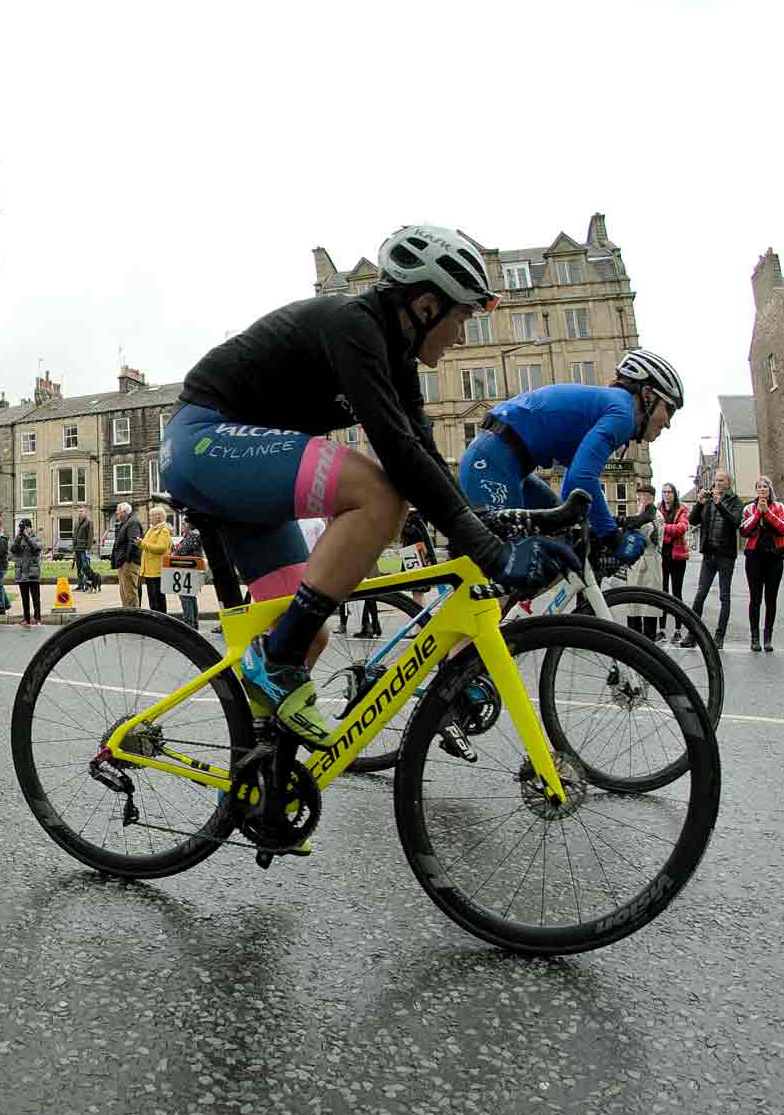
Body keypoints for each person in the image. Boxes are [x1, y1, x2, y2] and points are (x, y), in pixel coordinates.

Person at [160, 222, 579, 746]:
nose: (463, 333)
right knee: (381, 493)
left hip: (238, 462)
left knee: (309, 632)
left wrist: (487, 523)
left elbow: (423, 452)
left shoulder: (396, 356)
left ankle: (262, 771)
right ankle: (277, 660)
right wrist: (491, 554)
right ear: (426, 307)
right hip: (201, 440)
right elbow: (397, 455)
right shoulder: (352, 326)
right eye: (462, 317)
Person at [459, 348, 682, 574]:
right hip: (493, 464)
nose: (668, 423)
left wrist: (609, 524)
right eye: (670, 410)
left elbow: (572, 493)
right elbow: (581, 478)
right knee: (508, 569)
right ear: (647, 394)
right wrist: (612, 537)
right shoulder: (622, 414)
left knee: (565, 532)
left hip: (506, 463)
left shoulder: (613, 407)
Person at [686, 471, 743, 642]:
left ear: (728, 483)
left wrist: (719, 504)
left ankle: (720, 635)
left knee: (724, 596)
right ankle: (692, 633)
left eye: (721, 480)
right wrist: (699, 503)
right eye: (716, 480)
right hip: (709, 554)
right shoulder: (708, 500)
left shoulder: (735, 501)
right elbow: (693, 520)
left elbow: (735, 522)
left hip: (726, 555)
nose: (717, 483)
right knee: (701, 593)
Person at [739, 474, 784, 653]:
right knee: (755, 598)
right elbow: (744, 530)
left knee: (771, 598)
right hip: (755, 558)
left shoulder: (779, 507)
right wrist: (758, 513)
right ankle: (755, 637)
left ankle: (768, 637)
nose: (762, 490)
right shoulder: (749, 508)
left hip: (774, 557)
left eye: (765, 487)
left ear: (770, 490)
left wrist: (767, 513)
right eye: (759, 487)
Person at [620, 484, 664, 641]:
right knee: (634, 604)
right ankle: (634, 638)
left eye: (641, 498)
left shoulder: (654, 516)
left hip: (650, 562)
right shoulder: (643, 514)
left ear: (651, 498)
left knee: (648, 605)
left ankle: (647, 640)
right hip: (639, 563)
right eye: (637, 498)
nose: (638, 500)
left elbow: (637, 528)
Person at [658, 482, 690, 602]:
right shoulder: (657, 510)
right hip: (662, 556)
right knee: (662, 592)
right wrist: (670, 530)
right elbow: (654, 529)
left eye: (669, 492)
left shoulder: (682, 509)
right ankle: (662, 620)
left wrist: (663, 527)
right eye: (664, 492)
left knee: (677, 593)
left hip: (677, 557)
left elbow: (681, 529)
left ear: (674, 494)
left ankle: (679, 620)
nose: (666, 494)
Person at [139, 505, 173, 612]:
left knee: (158, 598)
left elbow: (161, 548)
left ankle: (162, 621)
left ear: (159, 517)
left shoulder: (163, 531)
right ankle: (155, 619)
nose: (150, 518)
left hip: (157, 570)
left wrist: (142, 544)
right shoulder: (152, 529)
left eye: (152, 516)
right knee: (152, 599)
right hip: (149, 570)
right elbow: (147, 544)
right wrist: (141, 543)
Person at [110, 502, 143, 608]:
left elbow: (133, 542)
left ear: (125, 512)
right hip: (123, 562)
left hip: (129, 563)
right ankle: (127, 613)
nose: (116, 513)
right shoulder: (126, 522)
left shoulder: (132, 523)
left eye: (118, 511)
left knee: (130, 593)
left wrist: (127, 560)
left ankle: (133, 616)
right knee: (124, 592)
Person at [12, 517, 44, 626]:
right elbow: (13, 550)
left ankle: (37, 618)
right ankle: (26, 618)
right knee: (24, 598)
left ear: (30, 528)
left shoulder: (36, 537)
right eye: (22, 528)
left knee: (35, 597)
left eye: (25, 528)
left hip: (33, 571)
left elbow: (36, 548)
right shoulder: (19, 538)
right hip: (22, 572)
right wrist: (19, 536)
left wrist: (26, 536)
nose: (23, 530)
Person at [174, 524, 204, 627]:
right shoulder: (194, 535)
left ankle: (188, 623)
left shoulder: (192, 535)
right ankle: (193, 622)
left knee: (185, 596)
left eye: (184, 523)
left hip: (187, 569)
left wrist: (176, 547)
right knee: (191, 596)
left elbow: (181, 551)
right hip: (191, 569)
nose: (182, 525)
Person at [72, 507, 97, 592]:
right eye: (79, 511)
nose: (80, 513)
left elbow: (90, 537)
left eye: (82, 511)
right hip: (77, 549)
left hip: (84, 549)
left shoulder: (89, 523)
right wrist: (73, 548)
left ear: (85, 513)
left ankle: (88, 585)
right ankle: (80, 585)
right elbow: (74, 537)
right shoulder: (76, 523)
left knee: (85, 568)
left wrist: (88, 548)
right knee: (79, 568)